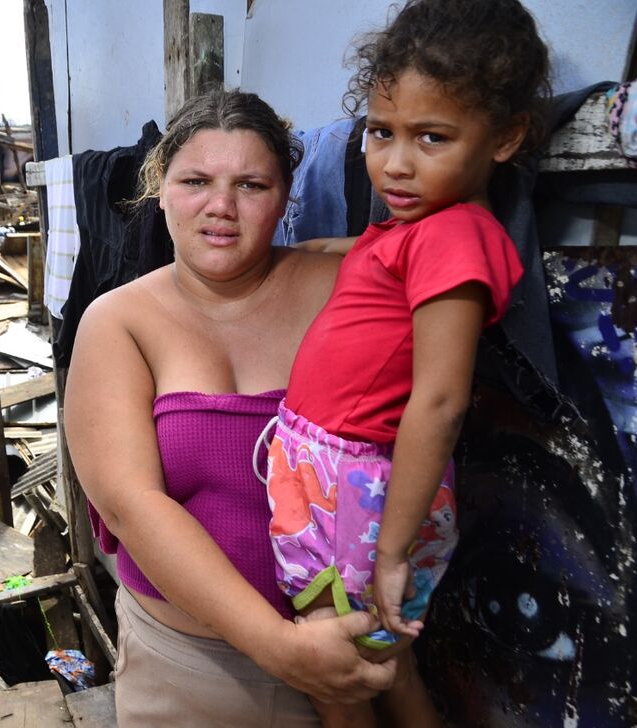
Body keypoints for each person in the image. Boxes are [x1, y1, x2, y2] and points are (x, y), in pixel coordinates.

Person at [64, 89, 398, 727]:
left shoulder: (341, 287)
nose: (220, 207)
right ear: (160, 188)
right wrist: (280, 648)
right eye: (195, 181)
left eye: (251, 184)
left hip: (343, 664)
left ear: (284, 197)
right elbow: (132, 506)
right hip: (189, 674)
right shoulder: (118, 323)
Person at [263, 0, 552, 725]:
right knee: (378, 665)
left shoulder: (454, 237)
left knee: (343, 670)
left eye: (432, 137)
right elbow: (364, 267)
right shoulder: (408, 227)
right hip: (336, 482)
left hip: (361, 498)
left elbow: (440, 401)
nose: (394, 162)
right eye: (380, 132)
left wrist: (390, 553)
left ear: (507, 137)